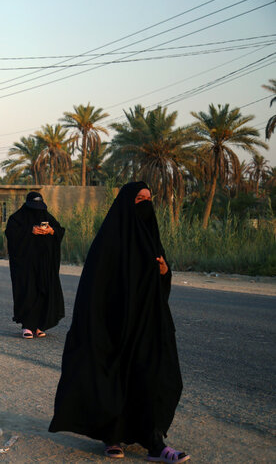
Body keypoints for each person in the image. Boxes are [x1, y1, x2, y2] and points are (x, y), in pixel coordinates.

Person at [49, 182, 189, 463]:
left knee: (153, 377)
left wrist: (164, 272)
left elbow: (160, 287)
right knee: (113, 377)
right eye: (139, 199)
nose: (146, 204)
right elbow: (95, 286)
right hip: (113, 325)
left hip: (147, 325)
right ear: (126, 203)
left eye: (149, 199)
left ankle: (155, 442)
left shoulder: (150, 236)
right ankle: (112, 436)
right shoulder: (109, 239)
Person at [5, 191, 65, 339]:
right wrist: (30, 230)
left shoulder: (47, 217)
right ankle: (27, 325)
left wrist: (51, 231)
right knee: (28, 291)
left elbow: (59, 230)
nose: (37, 212)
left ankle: (39, 325)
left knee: (42, 292)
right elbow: (11, 234)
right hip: (25, 265)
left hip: (44, 264)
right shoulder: (17, 218)